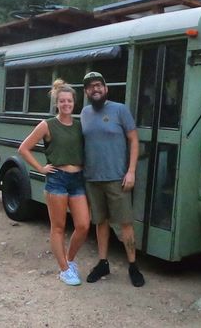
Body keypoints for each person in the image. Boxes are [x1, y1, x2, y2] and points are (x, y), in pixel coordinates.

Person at [18, 80, 89, 286]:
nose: (66, 104)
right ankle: (64, 270)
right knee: (58, 227)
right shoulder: (47, 125)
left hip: (77, 180)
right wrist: (41, 168)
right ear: (56, 103)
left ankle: (70, 260)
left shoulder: (78, 125)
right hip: (57, 179)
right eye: (62, 101)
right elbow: (24, 148)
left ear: (74, 103)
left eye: (69, 101)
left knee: (83, 225)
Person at [80, 71, 145, 287]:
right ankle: (102, 262)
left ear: (106, 89)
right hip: (92, 178)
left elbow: (134, 140)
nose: (95, 89)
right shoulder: (85, 113)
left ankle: (133, 266)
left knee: (125, 223)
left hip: (117, 178)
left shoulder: (120, 110)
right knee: (100, 222)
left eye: (99, 85)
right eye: (90, 87)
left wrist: (131, 171)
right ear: (86, 92)